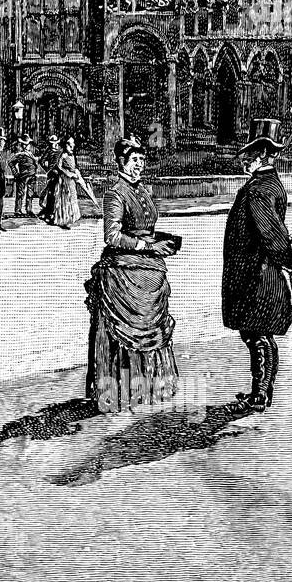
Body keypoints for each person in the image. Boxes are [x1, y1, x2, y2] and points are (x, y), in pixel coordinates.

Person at [84, 135, 180, 414]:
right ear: (122, 162)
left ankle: (148, 387)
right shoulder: (115, 193)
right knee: (124, 335)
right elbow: (112, 235)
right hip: (123, 272)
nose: (139, 165)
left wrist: (157, 240)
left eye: (142, 160)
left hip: (148, 269)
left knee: (152, 329)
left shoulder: (143, 190)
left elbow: (145, 227)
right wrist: (145, 245)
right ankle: (120, 391)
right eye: (134, 160)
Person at [223, 119, 292, 414]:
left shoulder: (259, 190)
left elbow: (270, 230)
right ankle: (262, 392)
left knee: (256, 334)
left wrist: (290, 256)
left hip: (256, 275)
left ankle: (260, 395)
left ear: (263, 154)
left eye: (250, 154)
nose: (245, 160)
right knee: (259, 334)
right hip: (261, 271)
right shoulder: (270, 184)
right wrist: (289, 255)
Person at [53, 135, 88, 229]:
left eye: (72, 143)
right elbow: (59, 166)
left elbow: (73, 166)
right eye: (69, 144)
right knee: (65, 199)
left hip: (71, 180)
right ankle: (64, 220)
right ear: (65, 145)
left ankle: (71, 218)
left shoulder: (72, 155)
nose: (72, 146)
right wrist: (68, 173)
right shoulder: (63, 155)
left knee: (72, 197)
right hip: (64, 180)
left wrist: (76, 172)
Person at [10, 134, 39, 217]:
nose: (27, 146)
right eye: (25, 144)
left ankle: (29, 209)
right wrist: (16, 173)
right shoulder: (20, 154)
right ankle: (18, 210)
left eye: (28, 144)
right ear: (23, 145)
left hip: (32, 176)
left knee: (30, 194)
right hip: (22, 176)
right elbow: (11, 163)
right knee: (20, 193)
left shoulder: (31, 154)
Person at [38, 135, 62, 223]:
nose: (53, 145)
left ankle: (55, 213)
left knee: (57, 193)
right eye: (51, 143)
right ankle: (48, 213)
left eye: (54, 143)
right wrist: (47, 169)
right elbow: (41, 161)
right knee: (51, 193)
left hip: (59, 174)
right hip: (51, 174)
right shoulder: (48, 151)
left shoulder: (60, 151)